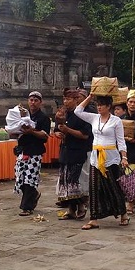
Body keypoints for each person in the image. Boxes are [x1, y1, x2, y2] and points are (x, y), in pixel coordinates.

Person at [73, 93, 129, 229]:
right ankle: (94, 218)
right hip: (96, 157)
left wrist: (124, 157)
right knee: (94, 187)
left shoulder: (116, 121)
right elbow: (77, 111)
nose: (99, 108)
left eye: (102, 105)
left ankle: (123, 214)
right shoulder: (94, 118)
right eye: (97, 105)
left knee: (114, 186)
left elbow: (121, 141)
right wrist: (90, 97)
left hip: (111, 157)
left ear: (108, 106)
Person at [55, 88, 92, 221]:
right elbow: (56, 130)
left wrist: (68, 130)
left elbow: (85, 135)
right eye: (64, 99)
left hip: (78, 152)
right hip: (65, 151)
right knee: (65, 181)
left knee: (74, 181)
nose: (66, 102)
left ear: (76, 100)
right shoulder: (63, 113)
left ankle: (81, 205)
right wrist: (58, 133)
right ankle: (71, 209)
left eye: (69, 99)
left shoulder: (83, 115)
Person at [14, 91, 50, 216]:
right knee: (20, 177)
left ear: (40, 102)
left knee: (30, 178)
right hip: (22, 149)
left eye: (35, 100)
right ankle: (34, 194)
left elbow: (45, 136)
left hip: (35, 151)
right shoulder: (24, 116)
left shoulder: (43, 118)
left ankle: (27, 206)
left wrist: (32, 131)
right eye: (31, 100)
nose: (33, 102)